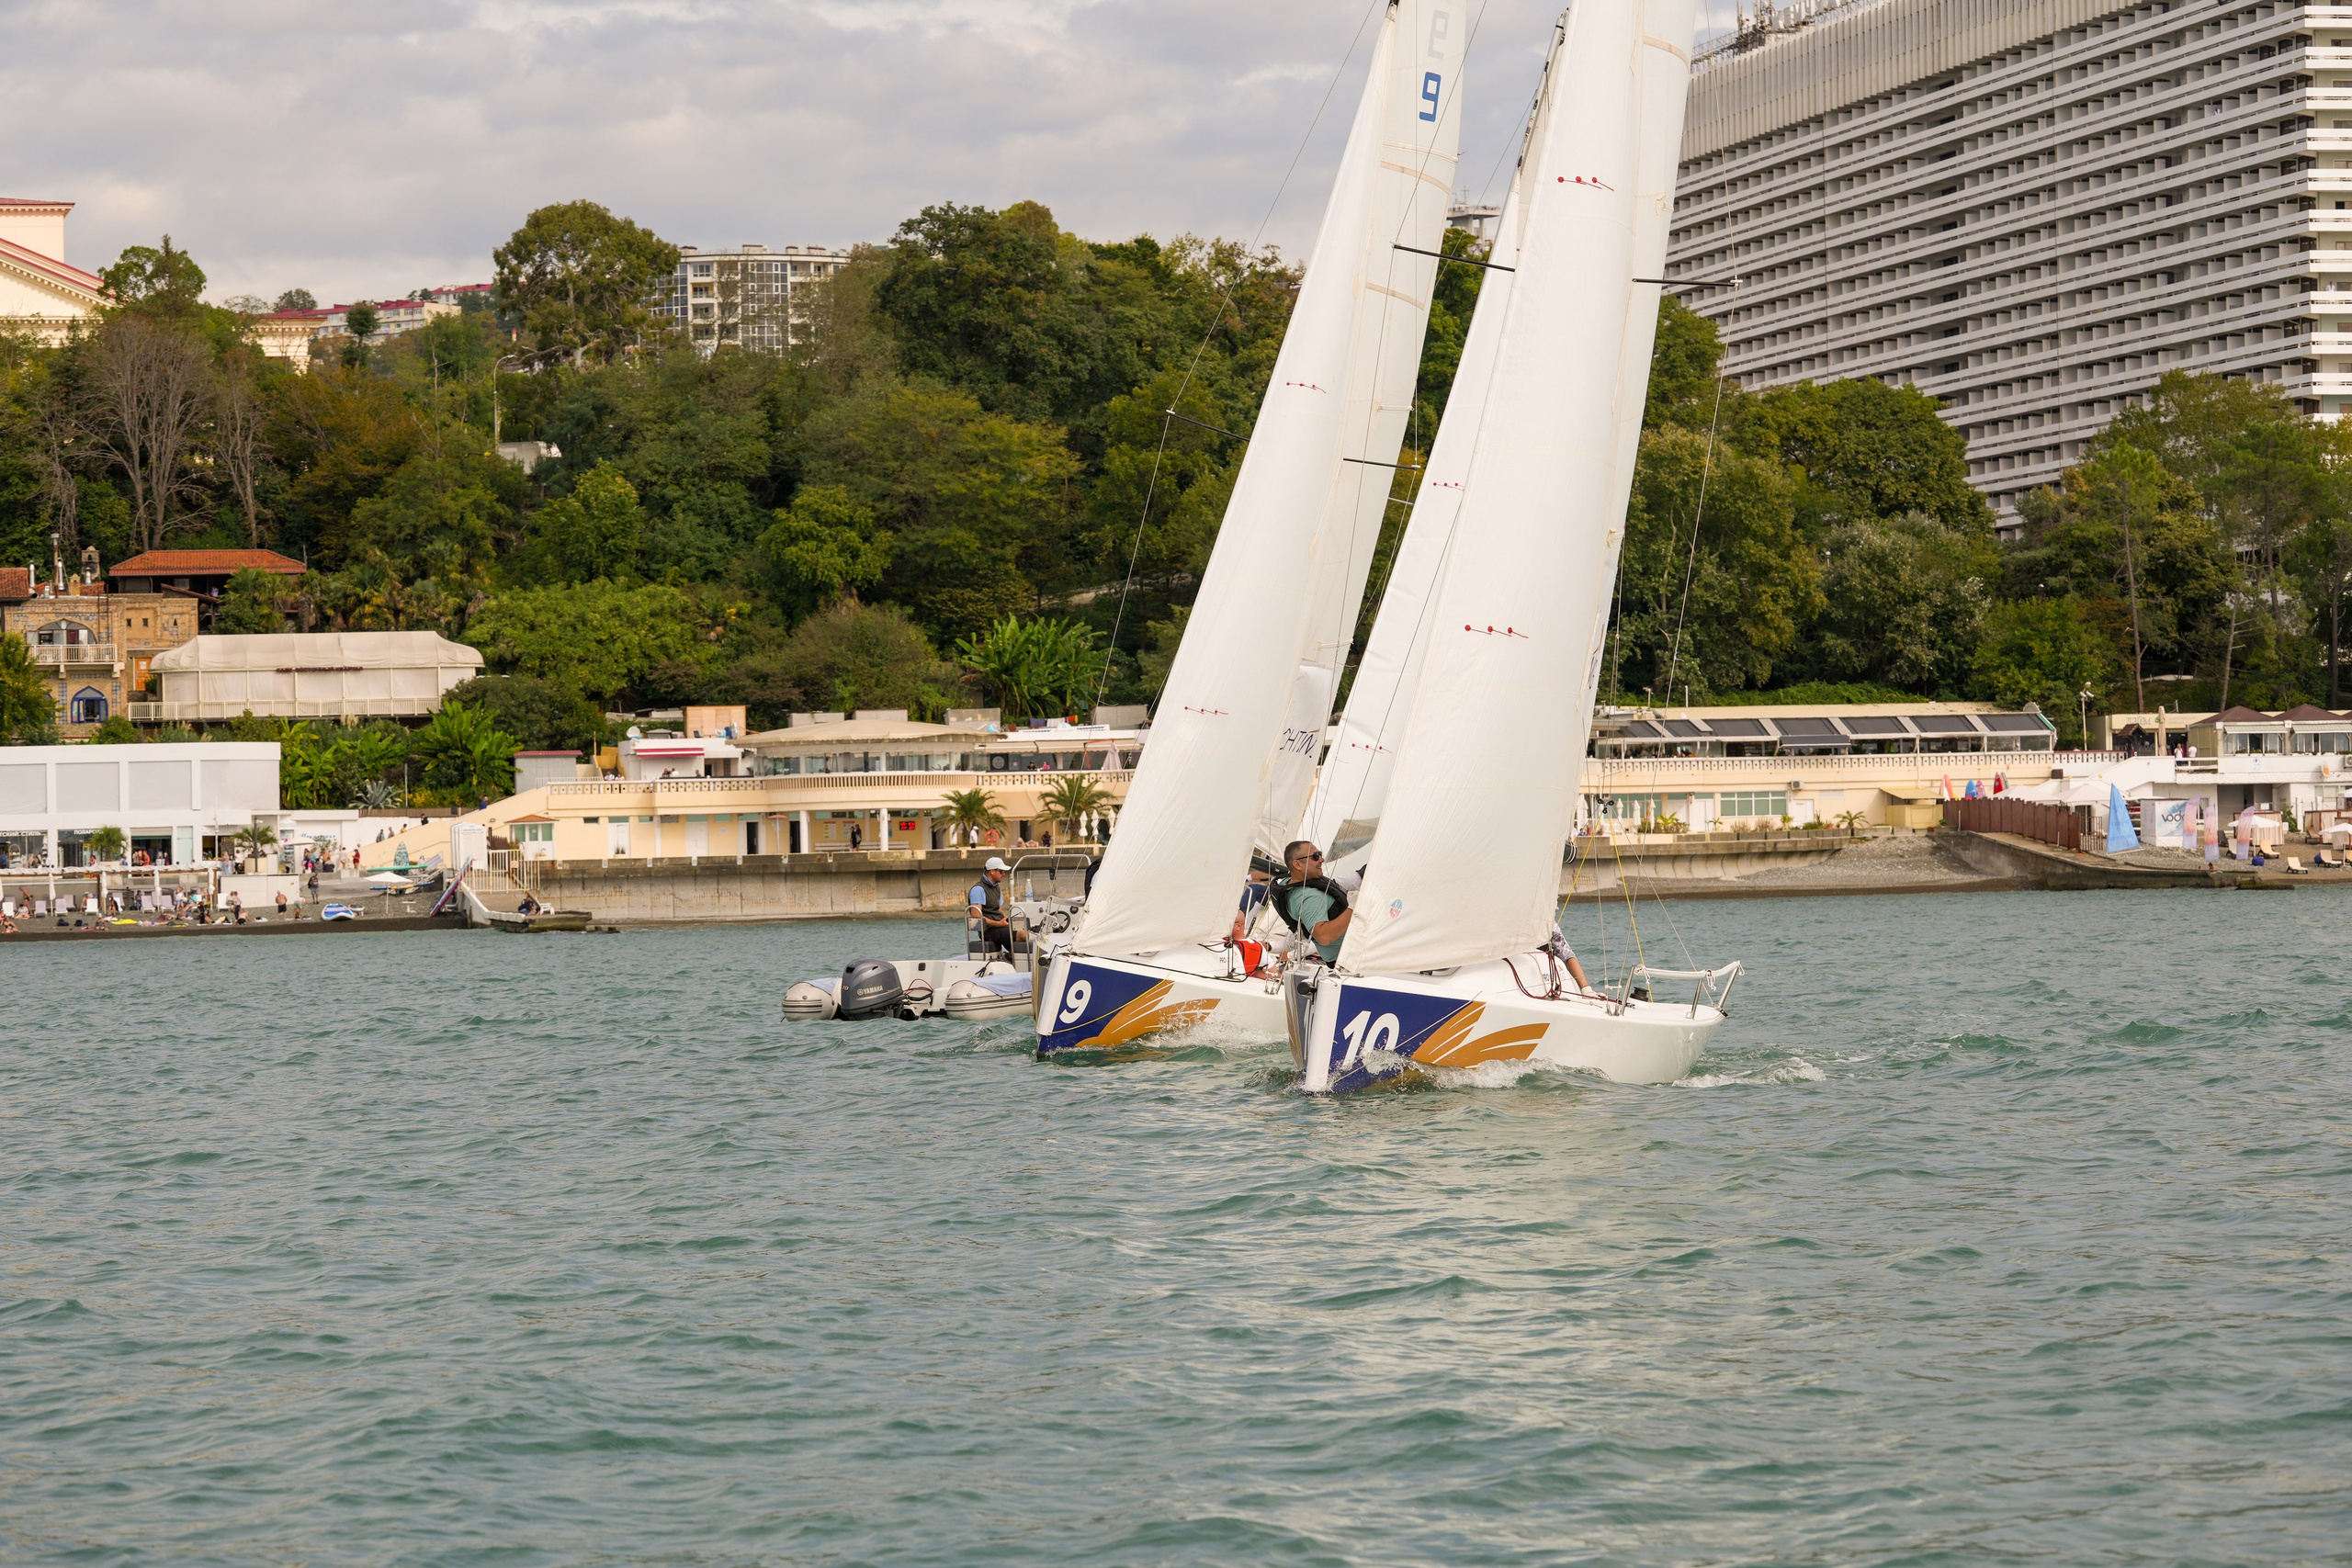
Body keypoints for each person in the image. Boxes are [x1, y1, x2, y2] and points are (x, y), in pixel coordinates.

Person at [1264, 840, 1351, 962]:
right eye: (1315, 857)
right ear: (1298, 864)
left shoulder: (1287, 883)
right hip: (1350, 959)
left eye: (1320, 854)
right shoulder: (1309, 897)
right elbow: (1324, 937)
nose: (1322, 859)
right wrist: (1352, 908)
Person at [968, 855, 1013, 957]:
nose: (1004, 874)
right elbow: (976, 917)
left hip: (999, 927)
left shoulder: (996, 888)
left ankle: (1010, 958)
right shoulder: (978, 890)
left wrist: (1006, 919)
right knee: (1023, 935)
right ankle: (1009, 957)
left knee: (1026, 930)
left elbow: (998, 909)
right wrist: (998, 924)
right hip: (989, 931)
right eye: (1001, 871)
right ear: (992, 871)